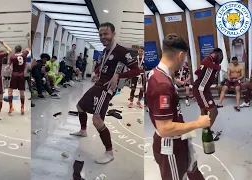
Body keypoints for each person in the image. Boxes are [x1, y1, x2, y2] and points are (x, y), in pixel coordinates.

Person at [70, 22, 140, 164]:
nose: (103, 37)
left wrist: (118, 76)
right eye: (101, 34)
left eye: (106, 34)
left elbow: (137, 70)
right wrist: (96, 72)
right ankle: (83, 130)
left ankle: (109, 152)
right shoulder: (106, 51)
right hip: (99, 84)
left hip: (106, 89)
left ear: (113, 34)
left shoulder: (121, 51)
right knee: (80, 107)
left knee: (97, 120)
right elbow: (103, 65)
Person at [147, 34, 210, 180]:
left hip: (179, 139)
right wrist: (198, 124)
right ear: (180, 55)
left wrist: (176, 81)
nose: (184, 61)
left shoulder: (158, 74)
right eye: (185, 58)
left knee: (192, 168)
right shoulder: (162, 84)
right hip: (170, 146)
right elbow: (165, 128)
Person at [193, 48, 223, 140]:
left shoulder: (213, 63)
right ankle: (207, 133)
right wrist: (217, 67)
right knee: (214, 112)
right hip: (202, 90)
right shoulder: (212, 57)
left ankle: (205, 130)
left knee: (204, 111)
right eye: (221, 56)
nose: (222, 58)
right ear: (218, 55)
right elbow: (205, 61)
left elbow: (196, 72)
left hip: (201, 89)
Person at [5, 45, 30, 115]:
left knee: (10, 91)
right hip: (22, 76)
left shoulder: (12, 57)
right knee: (22, 93)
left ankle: (11, 107)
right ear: (21, 49)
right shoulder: (24, 54)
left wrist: (6, 68)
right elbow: (28, 48)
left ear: (15, 50)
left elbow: (8, 65)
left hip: (14, 75)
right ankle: (22, 108)